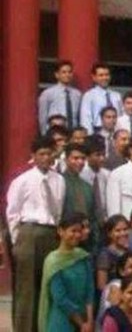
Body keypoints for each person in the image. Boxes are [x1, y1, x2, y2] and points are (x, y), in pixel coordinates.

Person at [6, 134, 65, 332]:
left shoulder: (59, 180)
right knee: (27, 289)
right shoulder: (22, 181)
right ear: (34, 155)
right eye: (42, 154)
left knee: (46, 285)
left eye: (49, 153)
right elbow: (12, 212)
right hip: (28, 233)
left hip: (50, 233)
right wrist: (18, 241)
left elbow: (58, 210)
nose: (46, 158)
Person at [37, 213, 94, 332]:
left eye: (80, 231)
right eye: (73, 231)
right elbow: (60, 298)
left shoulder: (82, 257)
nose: (77, 235)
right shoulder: (53, 261)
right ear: (60, 231)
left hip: (85, 321)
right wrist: (81, 324)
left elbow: (89, 290)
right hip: (61, 322)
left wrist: (89, 320)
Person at [61, 143, 97, 249]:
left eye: (83, 159)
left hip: (86, 239)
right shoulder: (59, 182)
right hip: (65, 238)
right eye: (75, 158)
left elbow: (92, 215)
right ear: (66, 160)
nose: (80, 162)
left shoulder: (87, 186)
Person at [38, 60, 81, 132]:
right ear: (57, 75)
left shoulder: (77, 94)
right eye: (64, 72)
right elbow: (43, 116)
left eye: (69, 72)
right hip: (55, 132)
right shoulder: (48, 93)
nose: (67, 75)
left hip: (73, 133)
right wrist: (44, 134)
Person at [79, 63, 123, 134]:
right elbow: (85, 119)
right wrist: (90, 137)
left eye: (107, 75)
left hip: (116, 132)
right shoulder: (89, 95)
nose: (105, 78)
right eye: (101, 75)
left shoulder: (116, 95)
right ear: (94, 77)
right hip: (97, 132)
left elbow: (121, 116)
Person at [96, 215, 130, 291]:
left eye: (125, 229)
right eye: (118, 230)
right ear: (109, 233)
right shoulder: (105, 255)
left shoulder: (129, 251)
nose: (123, 233)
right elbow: (101, 286)